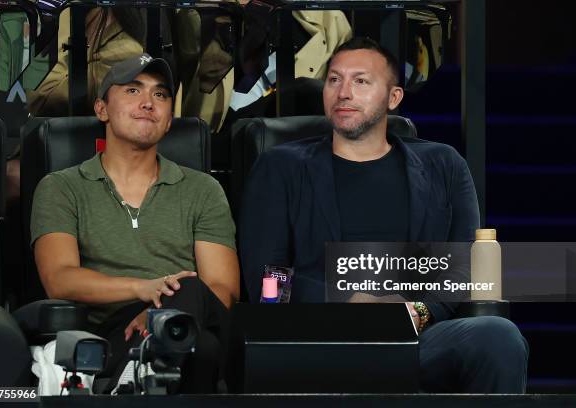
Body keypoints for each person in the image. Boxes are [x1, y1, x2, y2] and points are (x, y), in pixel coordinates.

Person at [239, 37, 528, 393]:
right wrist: (346, 302)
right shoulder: (280, 167)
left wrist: (416, 313)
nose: (343, 92)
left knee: (498, 336)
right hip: (318, 336)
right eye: (334, 79)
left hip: (414, 337)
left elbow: (460, 269)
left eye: (361, 81)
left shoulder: (444, 165)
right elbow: (266, 275)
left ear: (394, 97)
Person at [30, 53, 239, 393]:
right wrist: (144, 290)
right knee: (203, 348)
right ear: (101, 109)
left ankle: (138, 370)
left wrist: (162, 312)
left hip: (190, 319)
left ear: (170, 119)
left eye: (160, 95)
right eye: (132, 90)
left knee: (191, 303)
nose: (148, 103)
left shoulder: (203, 189)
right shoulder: (62, 187)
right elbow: (59, 279)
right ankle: (136, 365)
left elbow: (222, 289)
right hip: (110, 333)